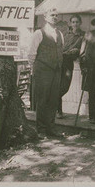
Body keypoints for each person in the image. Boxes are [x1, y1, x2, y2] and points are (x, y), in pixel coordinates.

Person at [29, 8, 64, 139]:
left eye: (56, 15)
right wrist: (33, 69)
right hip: (42, 70)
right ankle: (41, 129)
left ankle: (51, 128)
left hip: (56, 71)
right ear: (45, 17)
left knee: (53, 99)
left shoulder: (60, 34)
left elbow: (60, 51)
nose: (54, 17)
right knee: (42, 99)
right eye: (52, 15)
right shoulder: (39, 33)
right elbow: (31, 53)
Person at [57, 14, 85, 119]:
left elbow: (83, 49)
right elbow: (60, 46)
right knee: (58, 85)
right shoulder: (65, 34)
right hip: (60, 61)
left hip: (69, 62)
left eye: (77, 22)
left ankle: (54, 107)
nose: (75, 24)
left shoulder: (83, 35)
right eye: (73, 22)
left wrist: (78, 51)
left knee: (65, 87)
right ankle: (58, 111)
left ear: (80, 23)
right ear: (70, 23)